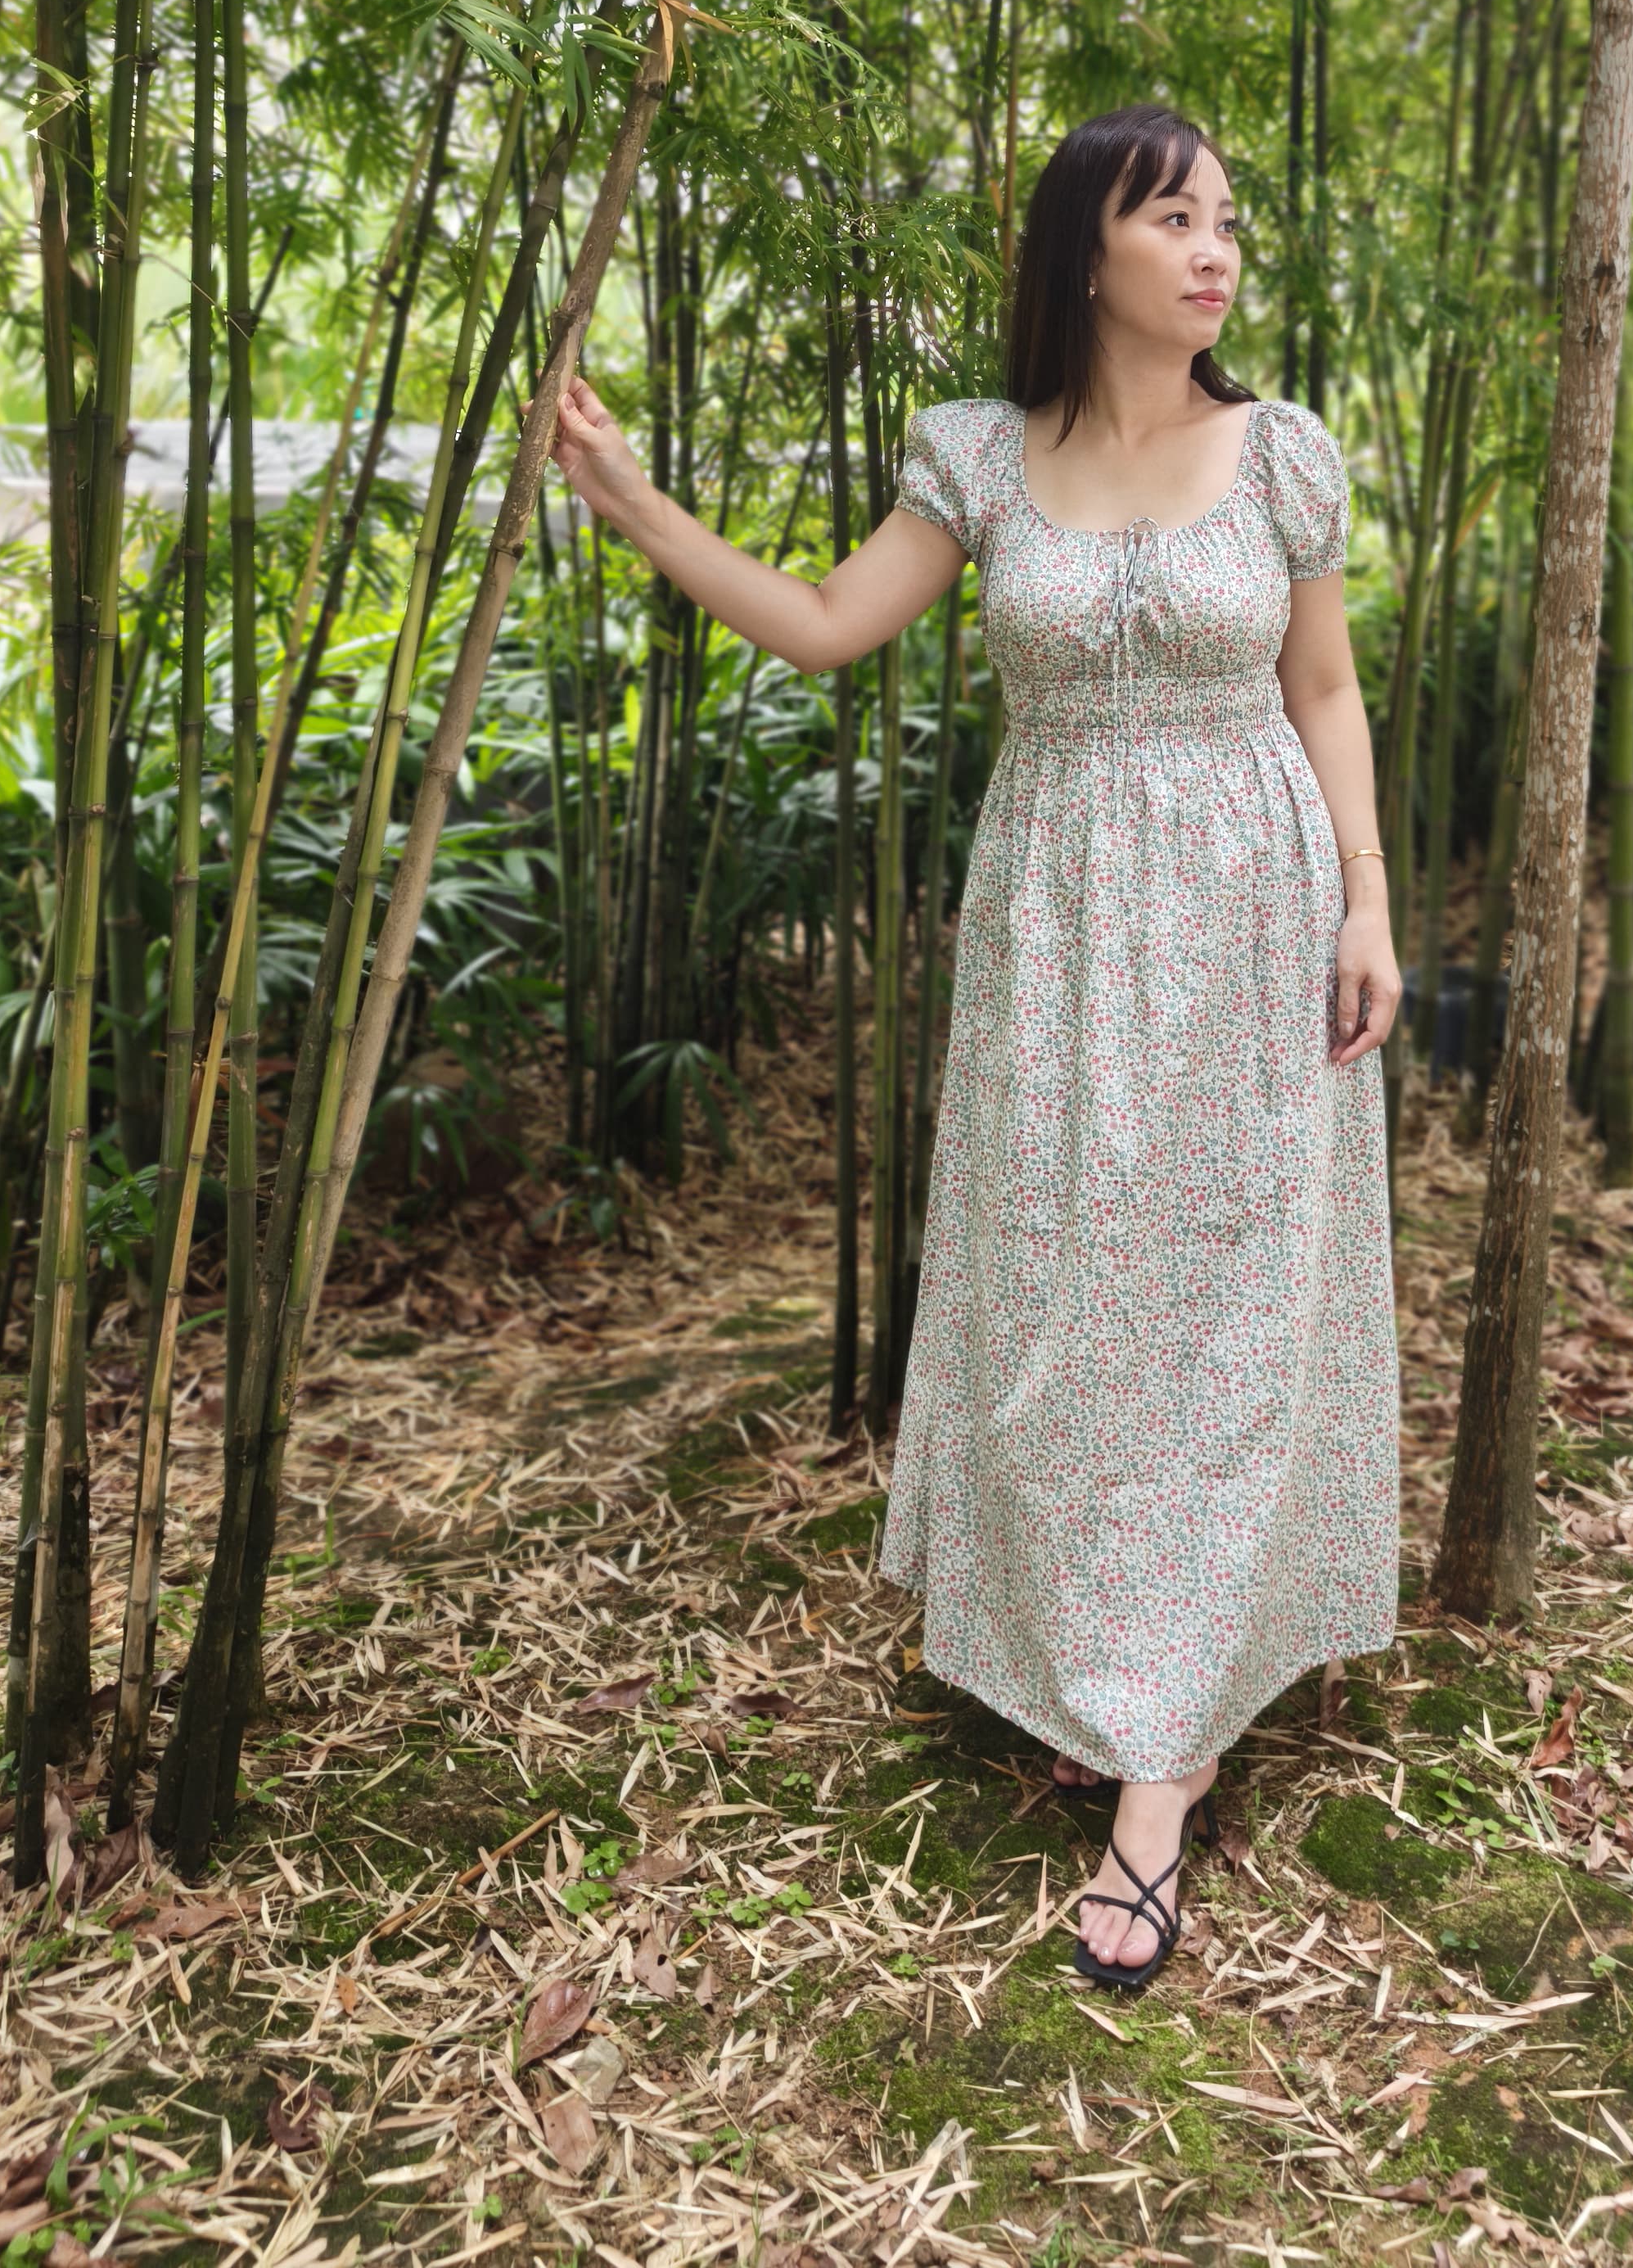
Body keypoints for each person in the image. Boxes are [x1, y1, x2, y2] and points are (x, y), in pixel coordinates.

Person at [551, 102, 1402, 1995]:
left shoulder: (1282, 451)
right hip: (1060, 925)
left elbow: (1326, 686)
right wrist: (632, 500)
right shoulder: (981, 456)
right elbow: (824, 624)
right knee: (1071, 1297)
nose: (1214, 249)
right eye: (1173, 217)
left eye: (1227, 220)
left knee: (1235, 1294)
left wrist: (1368, 899)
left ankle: (1166, 1759)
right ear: (1082, 249)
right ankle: (1100, 1652)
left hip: (1253, 906)